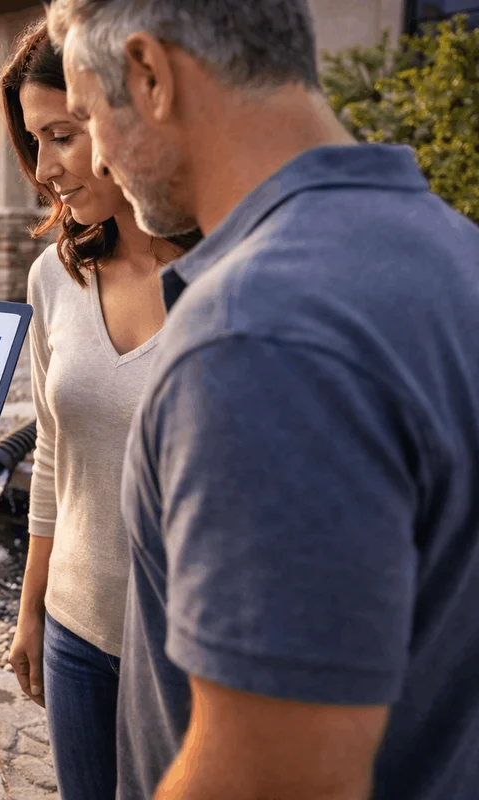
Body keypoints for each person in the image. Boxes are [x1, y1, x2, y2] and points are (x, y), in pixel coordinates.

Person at [44, 1, 479, 798]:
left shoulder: (254, 335)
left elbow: (275, 779)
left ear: (149, 76)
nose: (97, 157)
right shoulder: (456, 249)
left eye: (85, 115)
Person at [0, 20, 197, 799]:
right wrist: (32, 611)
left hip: (188, 652)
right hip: (76, 633)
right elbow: (52, 450)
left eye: (60, 135)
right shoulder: (56, 274)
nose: (43, 169)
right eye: (32, 141)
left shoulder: (229, 278)